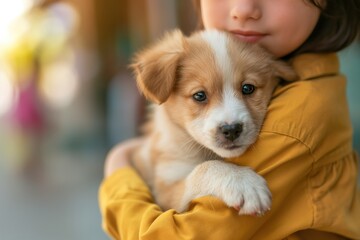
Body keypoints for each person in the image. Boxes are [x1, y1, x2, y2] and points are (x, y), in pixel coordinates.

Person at [99, 0, 360, 239]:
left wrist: (118, 168)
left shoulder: (296, 120)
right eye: (200, 96)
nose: (230, 122)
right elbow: (170, 190)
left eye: (248, 89)